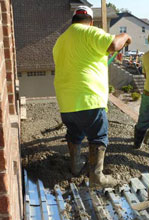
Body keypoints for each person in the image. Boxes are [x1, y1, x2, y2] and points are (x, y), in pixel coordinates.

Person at [53, 6, 131, 188]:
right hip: (89, 98)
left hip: (66, 102)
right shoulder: (91, 32)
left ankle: (75, 166)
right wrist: (126, 36)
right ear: (91, 22)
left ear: (73, 21)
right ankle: (97, 177)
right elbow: (113, 44)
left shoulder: (60, 41)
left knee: (74, 134)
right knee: (98, 136)